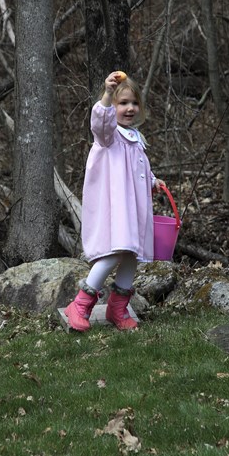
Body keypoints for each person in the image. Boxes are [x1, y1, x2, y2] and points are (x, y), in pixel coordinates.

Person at [65, 71, 165, 331]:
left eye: (133, 103)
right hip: (115, 207)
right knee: (112, 253)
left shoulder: (135, 138)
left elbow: (139, 167)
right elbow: (99, 123)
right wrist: (109, 95)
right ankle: (79, 304)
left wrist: (153, 180)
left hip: (133, 209)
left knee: (131, 255)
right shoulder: (108, 136)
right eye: (123, 103)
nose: (129, 108)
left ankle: (117, 308)